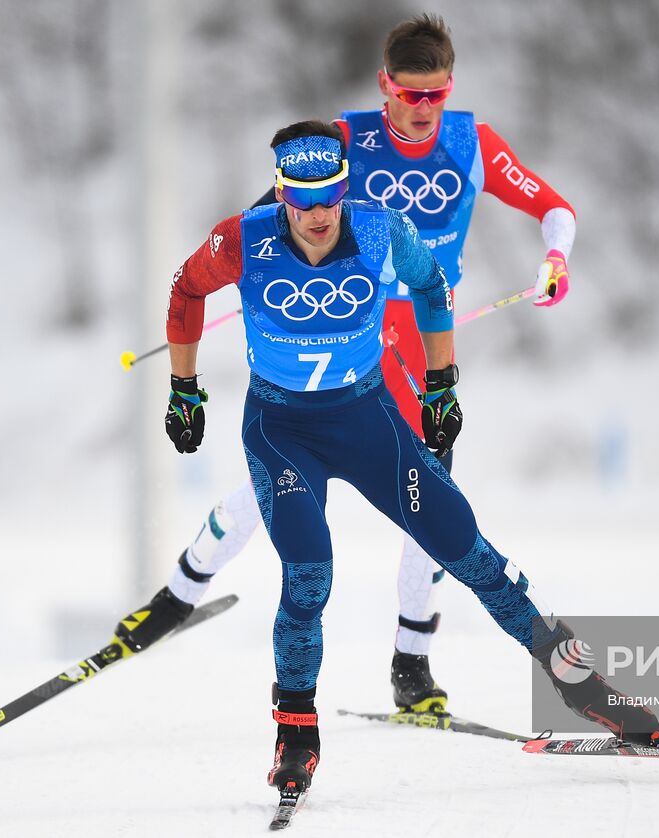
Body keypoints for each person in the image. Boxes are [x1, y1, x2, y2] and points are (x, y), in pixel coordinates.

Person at [159, 120, 659, 795]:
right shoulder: (241, 239)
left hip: (370, 423)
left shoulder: (380, 229)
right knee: (310, 576)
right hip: (282, 432)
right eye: (299, 199)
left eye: (328, 198)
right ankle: (295, 733)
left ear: (345, 189)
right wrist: (185, 390)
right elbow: (186, 290)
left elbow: (431, 288)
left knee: (469, 550)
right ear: (279, 195)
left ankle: (580, 684)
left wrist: (441, 382)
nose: (315, 215)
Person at [114, 14, 576, 718]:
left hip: (420, 336)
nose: (422, 113)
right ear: (384, 87)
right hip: (350, 332)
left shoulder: (471, 143)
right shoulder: (345, 141)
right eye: (408, 96)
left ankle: (410, 659)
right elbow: (271, 216)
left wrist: (555, 259)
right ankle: (179, 594)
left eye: (436, 97)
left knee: (434, 494)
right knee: (286, 483)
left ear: (449, 89)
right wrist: (259, 281)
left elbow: (554, 208)